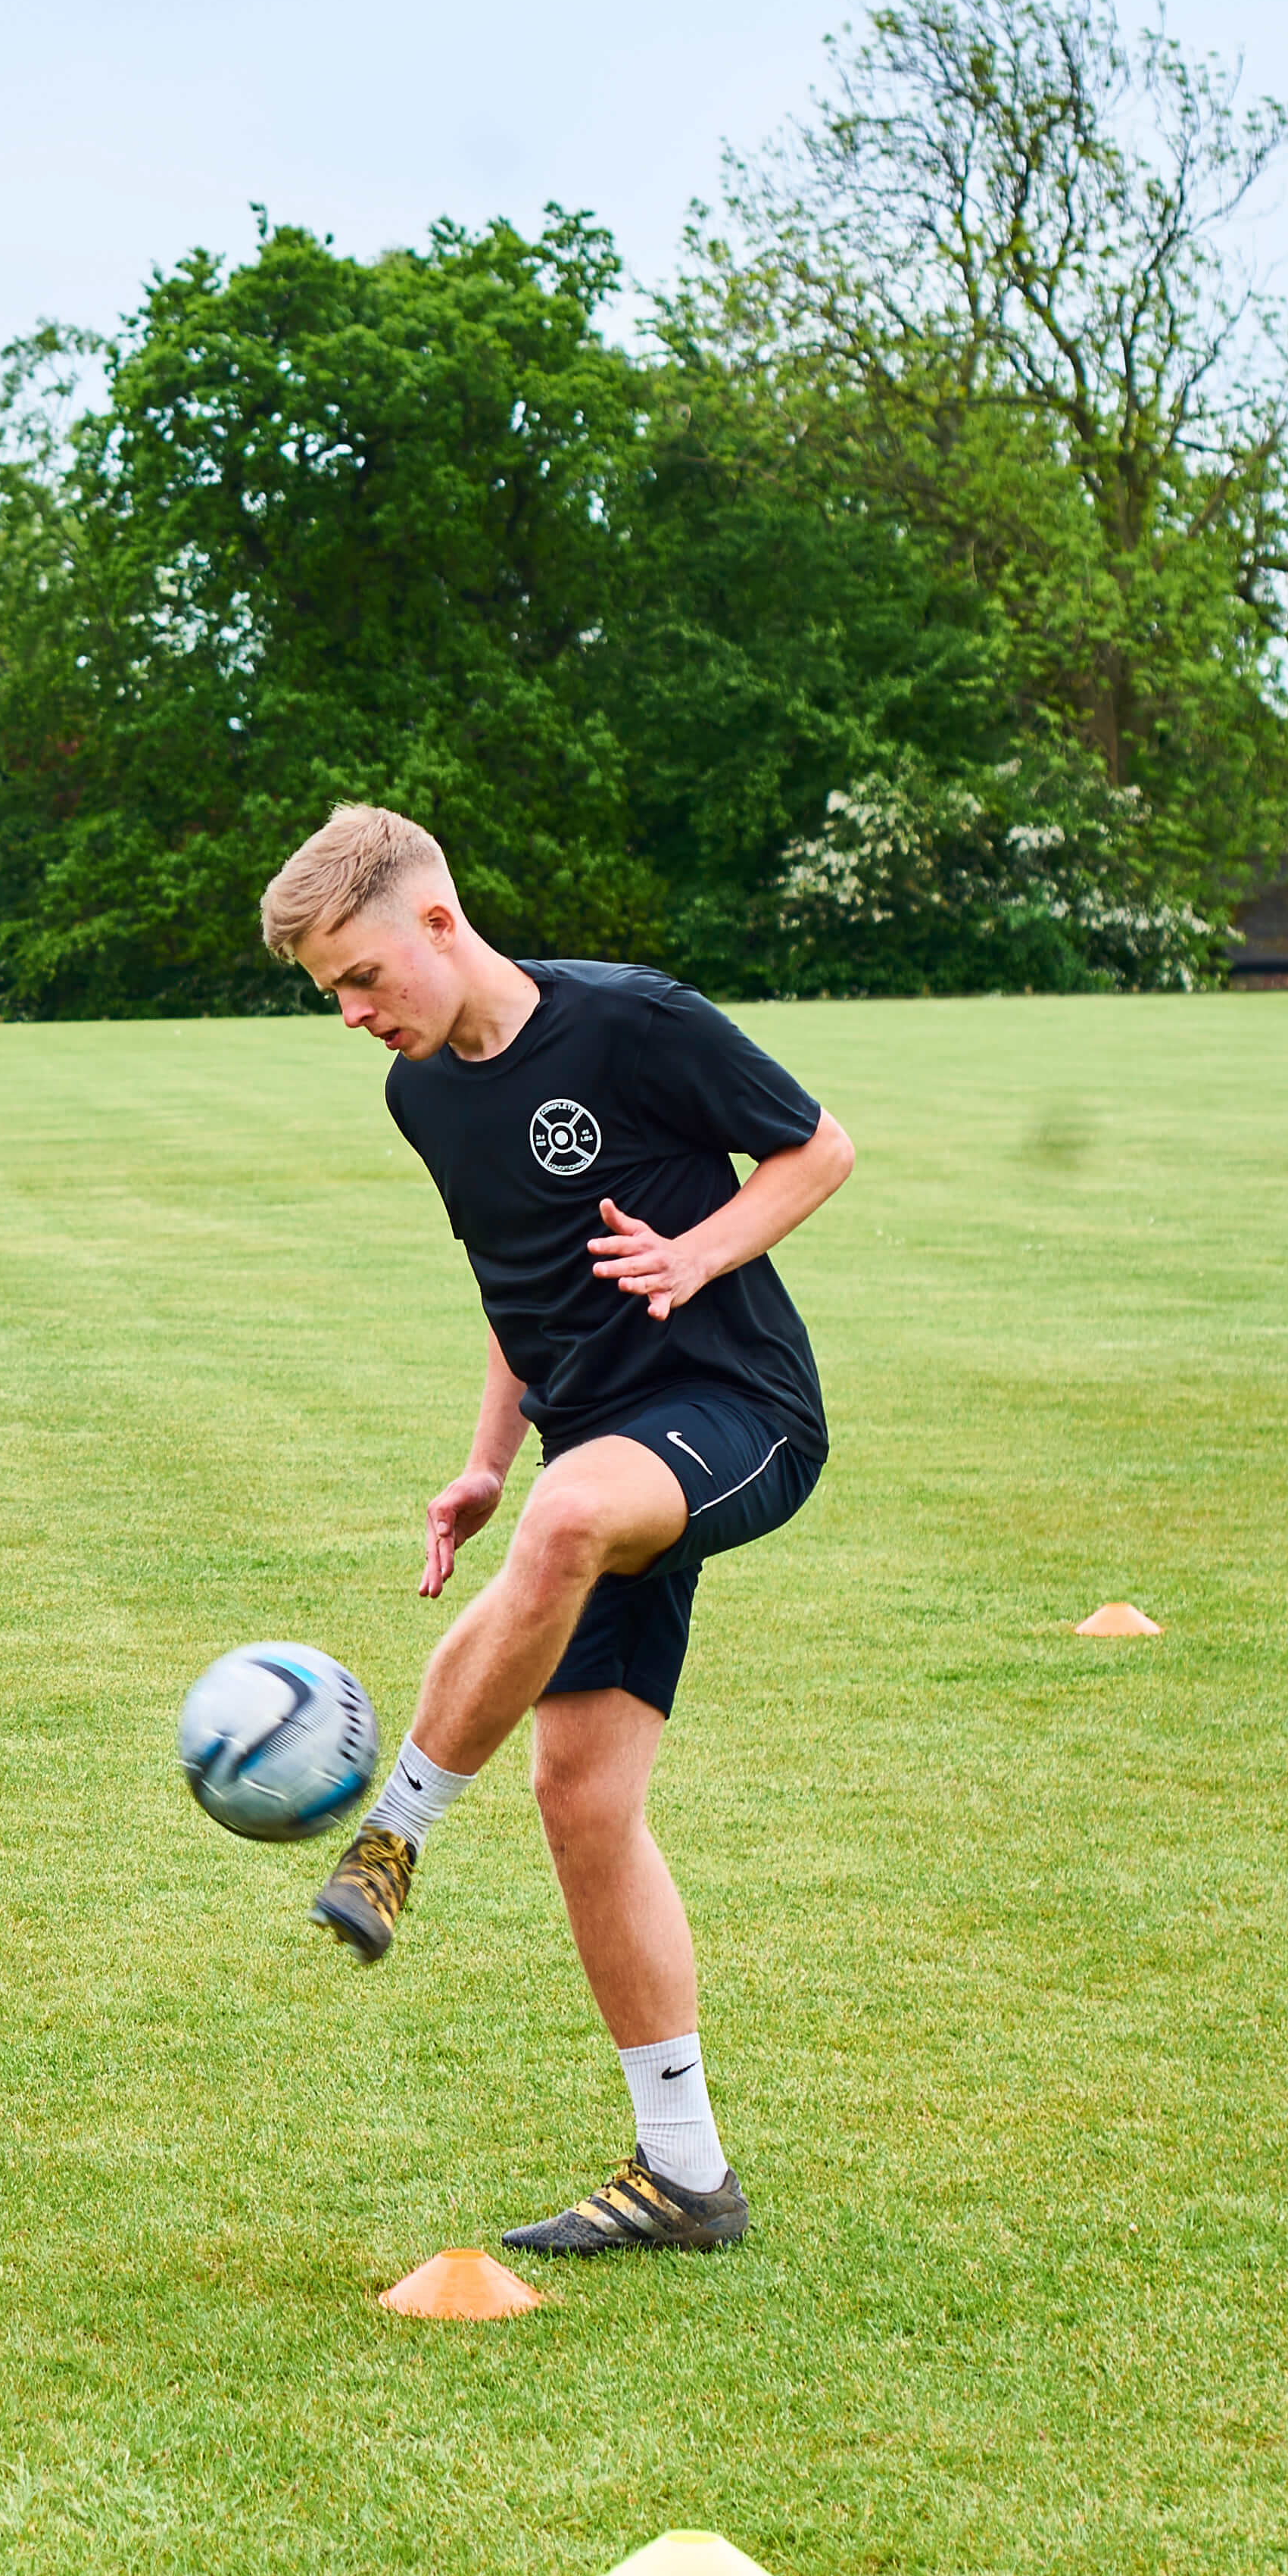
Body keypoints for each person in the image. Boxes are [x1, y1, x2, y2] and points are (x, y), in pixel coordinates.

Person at [259, 807, 854, 2255]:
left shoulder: (634, 1023)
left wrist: (695, 1253)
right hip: (598, 1444)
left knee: (575, 1509)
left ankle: (391, 1834)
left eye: (365, 976)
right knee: (582, 1800)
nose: (354, 1013)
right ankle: (684, 2175)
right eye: (332, 993)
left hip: (738, 1407)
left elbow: (819, 1149)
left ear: (441, 925)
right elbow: (514, 1289)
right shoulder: (425, 1100)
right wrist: (480, 1462)